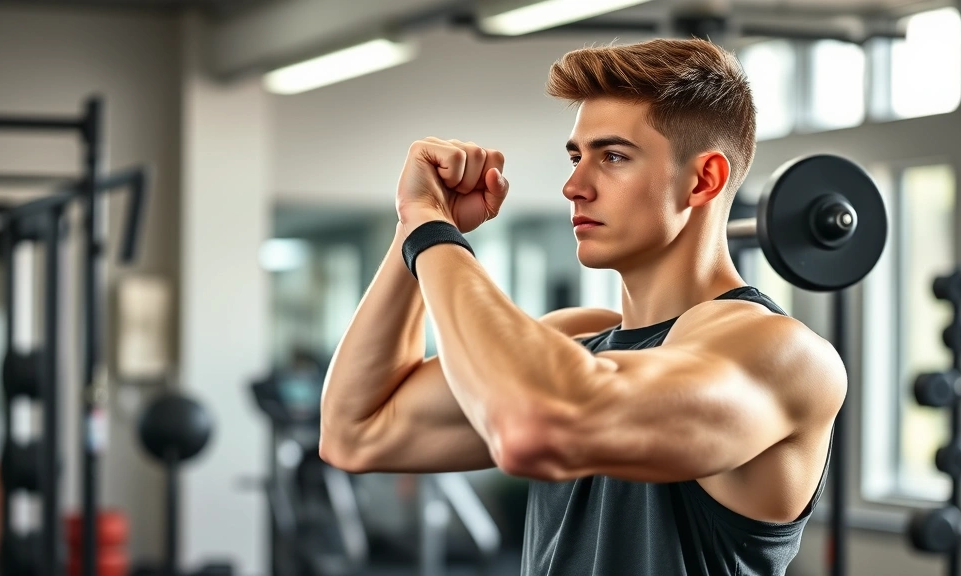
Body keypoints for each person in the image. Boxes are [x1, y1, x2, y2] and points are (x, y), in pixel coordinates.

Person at [319, 38, 846, 575]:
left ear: (702, 180)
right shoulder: (577, 340)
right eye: (577, 157)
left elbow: (533, 427)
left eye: (613, 156)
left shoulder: (781, 355)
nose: (573, 186)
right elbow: (355, 430)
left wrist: (434, 236)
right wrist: (416, 220)